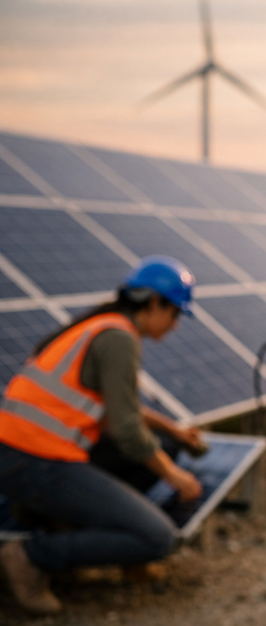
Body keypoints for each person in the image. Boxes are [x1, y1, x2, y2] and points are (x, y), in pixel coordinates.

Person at [0, 255, 203, 614]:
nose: (174, 326)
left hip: (23, 453)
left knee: (167, 446)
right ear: (155, 303)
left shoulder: (101, 326)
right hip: (36, 460)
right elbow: (126, 430)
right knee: (156, 537)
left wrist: (174, 431)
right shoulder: (119, 339)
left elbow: (120, 408)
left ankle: (64, 522)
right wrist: (175, 478)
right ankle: (32, 556)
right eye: (175, 314)